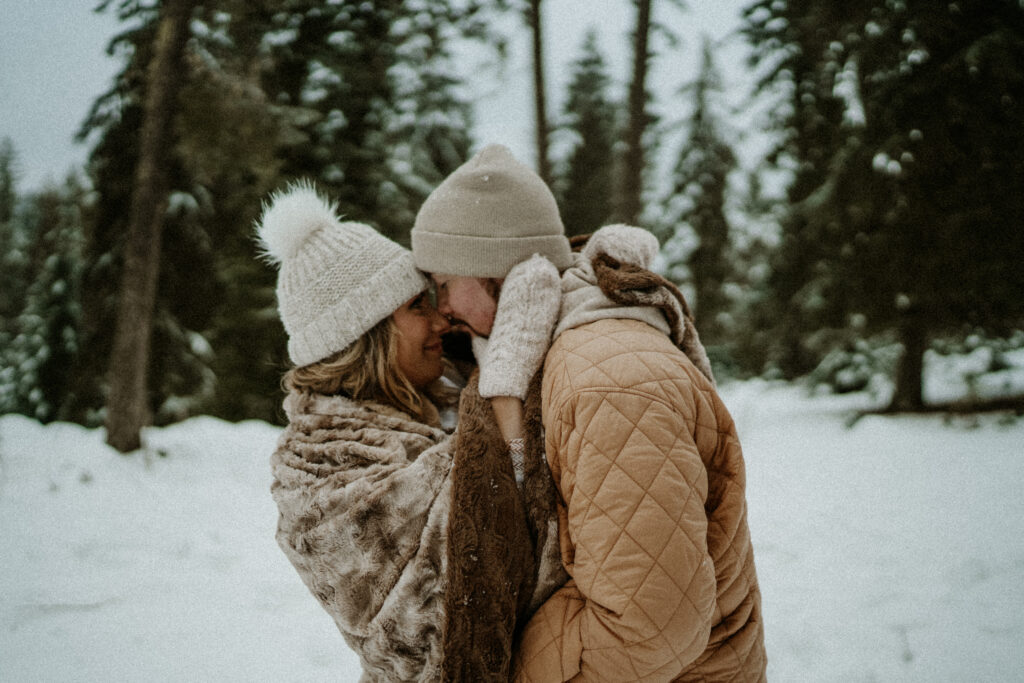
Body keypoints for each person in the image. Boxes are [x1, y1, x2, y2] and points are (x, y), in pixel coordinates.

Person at [412, 144, 768, 681]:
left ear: (494, 271)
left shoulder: (605, 381)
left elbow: (650, 627)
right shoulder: (564, 359)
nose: (441, 309)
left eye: (443, 285)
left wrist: (509, 671)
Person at [256, 182, 565, 682]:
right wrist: (509, 368)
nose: (440, 318)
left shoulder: (430, 414)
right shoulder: (321, 474)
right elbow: (473, 584)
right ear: (368, 335)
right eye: (416, 307)